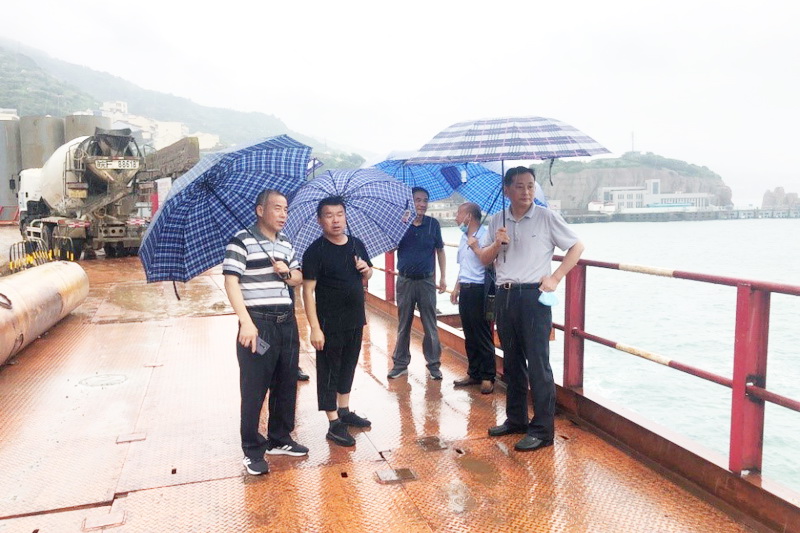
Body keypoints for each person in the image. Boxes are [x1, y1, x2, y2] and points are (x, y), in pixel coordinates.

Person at [470, 167, 585, 452]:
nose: (526, 192)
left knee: (538, 363)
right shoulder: (497, 220)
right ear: (507, 190)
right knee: (511, 362)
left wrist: (555, 278)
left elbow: (577, 246)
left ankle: (543, 430)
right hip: (505, 295)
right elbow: (484, 260)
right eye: (519, 186)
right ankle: (516, 419)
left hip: (534, 296)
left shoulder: (546, 217)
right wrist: (497, 243)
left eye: (530, 186)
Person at [223, 189, 308, 476]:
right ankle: (252, 449)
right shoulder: (241, 241)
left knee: (286, 382)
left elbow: (298, 277)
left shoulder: (285, 243)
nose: (283, 214)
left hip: (286, 323)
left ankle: (280, 438)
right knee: (254, 386)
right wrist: (246, 322)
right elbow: (231, 282)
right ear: (260, 210)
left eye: (286, 209)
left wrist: (286, 272)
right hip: (259, 325)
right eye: (277, 208)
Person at [302, 196, 374, 447]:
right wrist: (315, 328)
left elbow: (369, 274)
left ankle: (344, 410)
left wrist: (366, 270)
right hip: (329, 322)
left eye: (340, 214)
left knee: (348, 365)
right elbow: (307, 292)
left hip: (355, 319)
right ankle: (333, 423)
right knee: (329, 371)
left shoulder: (356, 244)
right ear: (320, 220)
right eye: (329, 215)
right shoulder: (315, 251)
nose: (336, 220)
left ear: (345, 216)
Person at [387, 187, 447, 380]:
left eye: (425, 200)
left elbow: (440, 250)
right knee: (404, 324)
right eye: (417, 200)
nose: (422, 204)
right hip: (405, 280)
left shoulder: (433, 224)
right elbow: (391, 249)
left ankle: (434, 365)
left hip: (426, 281)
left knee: (430, 325)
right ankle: (400, 364)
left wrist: (443, 277)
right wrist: (399, 227)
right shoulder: (400, 223)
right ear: (410, 202)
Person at [450, 202, 496, 394]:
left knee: (482, 333)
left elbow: (491, 263)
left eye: (459, 213)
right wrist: (456, 287)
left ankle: (487, 376)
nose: (456, 217)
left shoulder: (485, 236)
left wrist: (477, 247)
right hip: (466, 289)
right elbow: (463, 266)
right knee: (469, 333)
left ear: (469, 216)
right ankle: (474, 372)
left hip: (479, 289)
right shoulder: (463, 238)